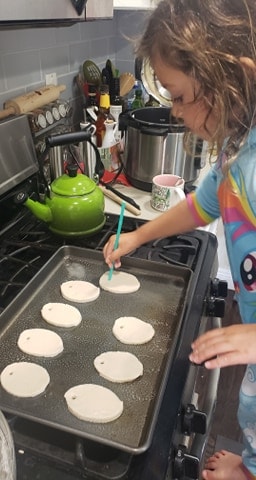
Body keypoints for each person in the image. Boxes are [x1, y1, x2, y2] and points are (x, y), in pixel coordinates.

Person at [103, 1, 256, 479]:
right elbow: (201, 206)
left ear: (233, 77)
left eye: (178, 94)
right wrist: (138, 237)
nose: (173, 110)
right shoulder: (237, 149)